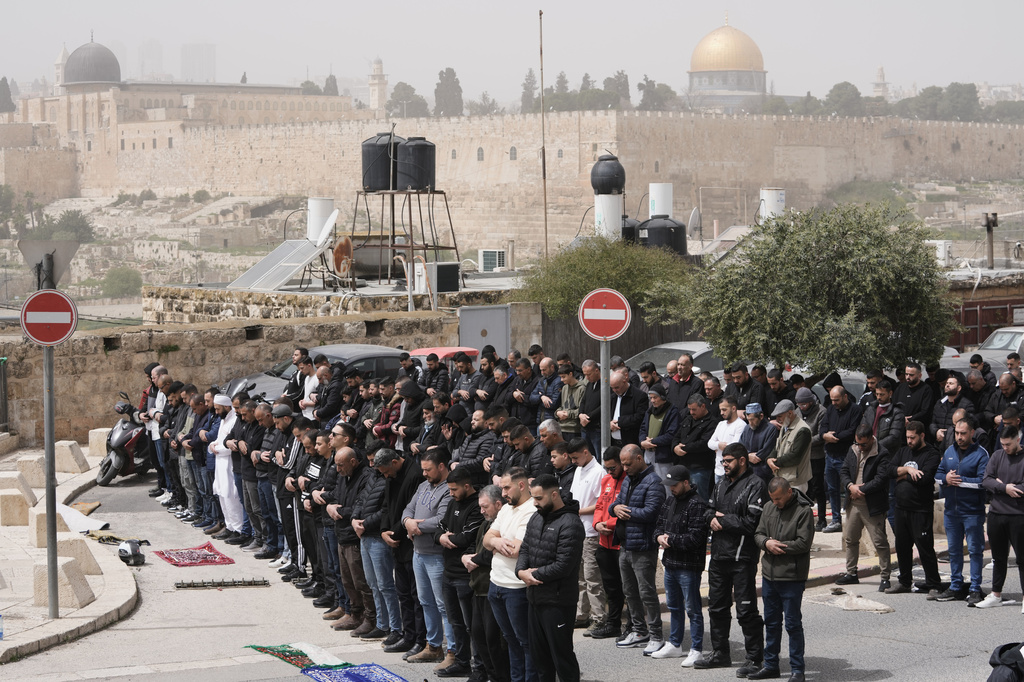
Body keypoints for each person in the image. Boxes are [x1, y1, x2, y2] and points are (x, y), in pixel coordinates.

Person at [694, 442, 767, 674]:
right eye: (722, 461)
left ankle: (755, 658)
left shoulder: (756, 485)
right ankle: (720, 653)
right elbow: (707, 510)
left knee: (746, 611)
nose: (724, 465)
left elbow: (751, 523)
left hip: (742, 558)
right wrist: (710, 519)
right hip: (718, 556)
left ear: (742, 460)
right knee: (716, 607)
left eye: (728, 461)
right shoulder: (721, 484)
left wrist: (723, 520)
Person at [516, 474, 586, 682]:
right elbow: (525, 548)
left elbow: (564, 566)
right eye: (533, 498)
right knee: (540, 660)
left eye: (539, 498)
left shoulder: (571, 523)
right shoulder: (536, 517)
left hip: (558, 602)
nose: (535, 503)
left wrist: (532, 575)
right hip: (535, 598)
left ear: (554, 494)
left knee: (562, 658)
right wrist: (521, 572)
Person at [752, 477, 814, 682]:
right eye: (772, 499)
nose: (775, 502)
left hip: (792, 577)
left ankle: (797, 670)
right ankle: (771, 665)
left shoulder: (803, 511)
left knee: (793, 624)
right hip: (770, 576)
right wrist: (766, 542)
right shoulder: (769, 507)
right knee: (771, 622)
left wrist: (779, 547)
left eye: (778, 498)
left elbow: (804, 543)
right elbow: (758, 533)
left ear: (789, 492)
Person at [609, 444, 667, 654]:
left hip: (643, 547)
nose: (624, 468)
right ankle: (639, 630)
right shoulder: (628, 480)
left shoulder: (654, 483)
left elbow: (653, 512)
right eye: (622, 464)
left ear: (639, 459)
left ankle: (657, 635)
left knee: (647, 592)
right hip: (625, 545)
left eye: (627, 463)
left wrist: (628, 512)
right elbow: (615, 503)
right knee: (629, 591)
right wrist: (614, 508)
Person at [401, 447, 454, 664]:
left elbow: (442, 519)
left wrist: (415, 526)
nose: (424, 474)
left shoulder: (448, 489)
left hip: (436, 556)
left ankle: (452, 650)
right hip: (418, 553)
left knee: (443, 605)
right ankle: (433, 646)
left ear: (442, 467)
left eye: (428, 470)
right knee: (425, 602)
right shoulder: (424, 485)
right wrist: (407, 522)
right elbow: (407, 509)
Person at [485, 467, 537, 682]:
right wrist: (496, 542)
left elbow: (515, 550)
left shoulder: (531, 510)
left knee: (525, 642)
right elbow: (487, 539)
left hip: (516, 589)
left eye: (507, 488)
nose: (503, 493)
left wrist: (495, 543)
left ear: (521, 485)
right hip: (495, 583)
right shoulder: (507, 509)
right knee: (510, 640)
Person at [652, 465, 707, 666]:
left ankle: (697, 649)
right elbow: (657, 526)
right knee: (674, 606)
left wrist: (670, 539)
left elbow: (696, 538)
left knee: (692, 608)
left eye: (674, 485)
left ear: (686, 483)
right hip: (670, 563)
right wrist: (659, 537)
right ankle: (675, 644)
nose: (671, 489)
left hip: (688, 566)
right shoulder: (670, 501)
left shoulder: (697, 504)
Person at [934, 416, 990, 604]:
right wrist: (945, 480)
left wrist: (959, 481)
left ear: (972, 433)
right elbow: (938, 474)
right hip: (951, 511)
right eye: (957, 433)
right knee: (954, 551)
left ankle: (975, 588)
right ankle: (956, 586)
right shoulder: (950, 451)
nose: (959, 437)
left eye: (963, 433)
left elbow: (983, 482)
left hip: (972, 511)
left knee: (975, 550)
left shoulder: (981, 454)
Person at [885, 421, 943, 596]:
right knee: (902, 547)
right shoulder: (903, 451)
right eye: (907, 437)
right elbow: (889, 470)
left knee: (925, 547)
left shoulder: (931, 454)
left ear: (922, 436)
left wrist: (901, 476)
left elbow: (925, 479)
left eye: (913, 437)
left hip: (920, 509)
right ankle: (904, 582)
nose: (909, 441)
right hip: (901, 508)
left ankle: (933, 583)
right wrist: (908, 470)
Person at [437, 465, 484, 677]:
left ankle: (479, 666)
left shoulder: (477, 506)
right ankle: (462, 661)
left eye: (454, 489)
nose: (451, 493)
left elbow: (466, 538)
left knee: (472, 626)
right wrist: (442, 536)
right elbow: (440, 528)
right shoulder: (452, 503)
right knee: (455, 622)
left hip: (465, 575)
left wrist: (448, 537)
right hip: (448, 572)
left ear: (467, 486)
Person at [836, 425, 893, 590]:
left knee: (879, 542)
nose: (860, 447)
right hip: (853, 504)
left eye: (864, 445)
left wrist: (860, 489)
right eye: (858, 443)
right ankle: (851, 573)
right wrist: (850, 486)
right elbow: (844, 471)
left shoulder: (881, 453)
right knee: (851, 539)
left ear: (872, 438)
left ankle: (885, 576)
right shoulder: (853, 449)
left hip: (872, 505)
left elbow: (881, 479)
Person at [464, 485, 512, 682]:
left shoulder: (505, 523)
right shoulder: (486, 524)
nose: (481, 511)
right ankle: (489, 675)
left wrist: (474, 559)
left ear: (498, 504)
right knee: (479, 636)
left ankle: (502, 677)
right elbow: (475, 547)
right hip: (478, 588)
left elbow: (496, 553)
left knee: (496, 640)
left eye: (485, 507)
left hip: (495, 588)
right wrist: (465, 557)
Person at [979, 425, 1024, 610]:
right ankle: (995, 594)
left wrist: (999, 485)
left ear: (1018, 440)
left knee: (1022, 559)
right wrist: (1005, 488)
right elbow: (986, 480)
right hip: (996, 515)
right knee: (998, 558)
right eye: (1003, 444)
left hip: (1018, 516)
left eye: (1008, 444)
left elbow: (1021, 488)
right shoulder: (997, 456)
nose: (1005, 447)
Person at [567, 438, 607, 635]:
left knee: (592, 578)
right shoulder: (578, 469)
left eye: (575, 457)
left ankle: (599, 617)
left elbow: (601, 503)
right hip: (577, 529)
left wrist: (580, 511)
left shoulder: (598, 472)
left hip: (591, 531)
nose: (574, 461)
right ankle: (581, 615)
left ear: (585, 452)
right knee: (579, 576)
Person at [590, 446, 626, 640]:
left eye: (613, 468)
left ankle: (633, 624)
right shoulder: (606, 480)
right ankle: (613, 624)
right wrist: (597, 524)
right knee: (610, 587)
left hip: (620, 542)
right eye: (607, 468)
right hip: (604, 542)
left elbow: (626, 510)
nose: (610, 472)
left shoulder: (629, 480)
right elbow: (599, 506)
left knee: (627, 587)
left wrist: (609, 524)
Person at [819, 385, 863, 533]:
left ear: (845, 397)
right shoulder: (831, 409)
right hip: (830, 455)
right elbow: (823, 427)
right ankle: (836, 520)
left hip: (846, 456)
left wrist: (834, 437)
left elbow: (852, 431)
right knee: (832, 489)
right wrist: (825, 436)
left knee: (848, 488)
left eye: (836, 400)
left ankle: (851, 520)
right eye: (832, 400)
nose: (834, 403)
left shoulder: (855, 410)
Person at [795, 387, 828, 531]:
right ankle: (805, 520)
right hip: (801, 457)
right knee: (804, 490)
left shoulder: (821, 411)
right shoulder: (797, 413)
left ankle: (822, 519)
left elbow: (821, 435)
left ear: (810, 402)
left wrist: (804, 441)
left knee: (818, 488)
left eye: (804, 405)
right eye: (799, 405)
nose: (801, 407)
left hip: (816, 456)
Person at [639, 383, 682, 482]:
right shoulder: (649, 411)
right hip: (648, 455)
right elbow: (642, 428)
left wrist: (653, 442)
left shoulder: (672, 412)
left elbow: (671, 434)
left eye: (655, 397)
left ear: (662, 397)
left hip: (663, 457)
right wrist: (642, 442)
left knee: (664, 485)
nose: (652, 400)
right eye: (651, 398)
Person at [766, 399, 812, 492]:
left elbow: (795, 456)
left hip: (796, 482)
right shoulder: (785, 425)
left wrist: (775, 462)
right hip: (783, 478)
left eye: (780, 416)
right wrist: (769, 458)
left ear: (790, 413)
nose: (777, 420)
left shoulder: (803, 430)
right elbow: (778, 446)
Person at [609, 370, 649, 447]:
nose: (615, 390)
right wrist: (609, 423)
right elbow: (606, 415)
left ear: (624, 382)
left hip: (630, 442)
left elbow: (640, 417)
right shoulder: (613, 396)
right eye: (612, 388)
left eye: (617, 387)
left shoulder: (639, 396)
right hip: (614, 443)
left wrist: (619, 422)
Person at [742, 402, 779, 482]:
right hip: (748, 471)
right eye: (748, 420)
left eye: (752, 420)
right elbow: (740, 447)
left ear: (761, 416)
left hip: (764, 472)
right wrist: (747, 456)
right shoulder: (747, 428)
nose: (750, 423)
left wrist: (750, 456)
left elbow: (766, 451)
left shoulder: (771, 429)